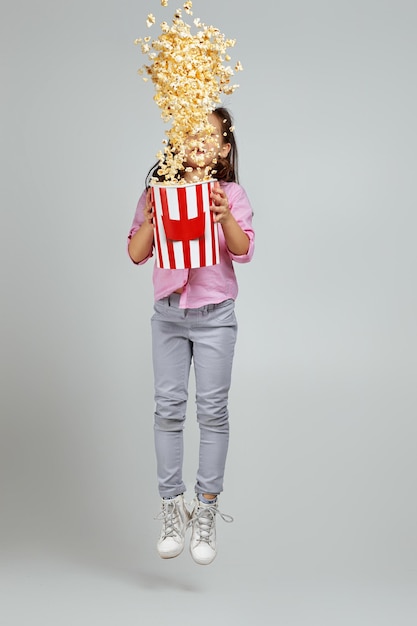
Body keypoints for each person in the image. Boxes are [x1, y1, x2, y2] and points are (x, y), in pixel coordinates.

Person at [127, 107, 255, 565]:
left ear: (223, 148)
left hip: (216, 316)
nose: (196, 140)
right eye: (187, 132)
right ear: (174, 142)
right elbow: (136, 253)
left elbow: (243, 251)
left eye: (208, 134)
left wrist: (223, 217)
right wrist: (154, 221)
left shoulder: (230, 194)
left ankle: (206, 508)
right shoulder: (156, 193)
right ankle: (170, 505)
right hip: (167, 315)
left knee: (213, 411)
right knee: (168, 409)